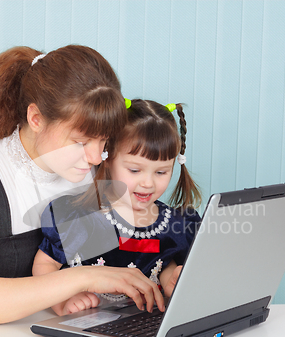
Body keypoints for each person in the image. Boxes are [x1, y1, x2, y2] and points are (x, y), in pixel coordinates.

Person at [0, 46, 164, 328]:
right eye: (81, 142)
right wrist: (85, 278)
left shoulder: (92, 168)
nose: (96, 158)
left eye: (103, 141)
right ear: (36, 119)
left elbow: (133, 246)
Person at [33, 99, 202, 316]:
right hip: (85, 327)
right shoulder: (81, 217)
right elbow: (44, 266)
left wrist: (172, 281)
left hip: (138, 330)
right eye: (134, 170)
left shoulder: (175, 224)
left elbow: (160, 261)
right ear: (108, 157)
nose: (148, 183)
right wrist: (63, 300)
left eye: (161, 172)